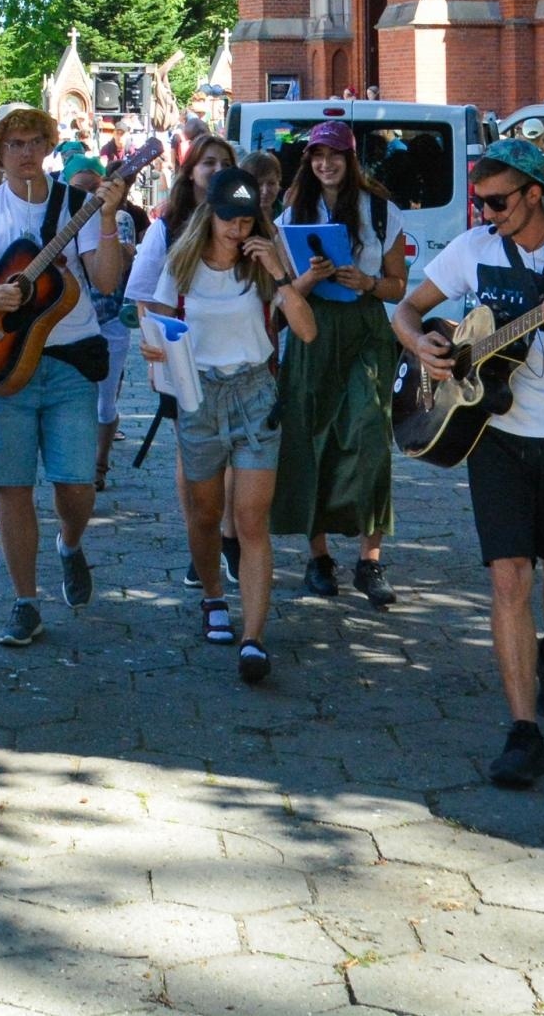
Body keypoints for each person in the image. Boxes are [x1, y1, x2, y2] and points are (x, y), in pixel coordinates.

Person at [392, 137, 544, 788]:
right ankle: (523, 731)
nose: (485, 212)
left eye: (496, 201)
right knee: (510, 577)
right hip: (494, 432)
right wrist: (424, 349)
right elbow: (406, 309)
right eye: (480, 201)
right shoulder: (474, 249)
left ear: (533, 194)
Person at [0, 103, 129, 647]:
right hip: (5, 368)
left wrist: (106, 218)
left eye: (34, 142)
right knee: (12, 487)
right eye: (15, 145)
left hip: (70, 360)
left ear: (49, 147)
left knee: (76, 483)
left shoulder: (78, 205)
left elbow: (106, 278)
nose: (26, 154)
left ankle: (70, 545)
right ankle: (26, 601)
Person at [143, 169, 315, 684]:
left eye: (246, 221)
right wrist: (156, 348)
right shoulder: (183, 263)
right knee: (204, 514)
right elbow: (154, 323)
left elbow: (306, 331)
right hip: (198, 394)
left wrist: (282, 275)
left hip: (255, 393)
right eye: (228, 220)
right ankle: (214, 597)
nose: (237, 231)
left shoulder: (264, 265)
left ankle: (254, 638)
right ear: (208, 215)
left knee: (250, 519)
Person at [272, 120, 407, 609]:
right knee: (310, 435)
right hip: (312, 326)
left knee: (370, 434)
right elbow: (282, 292)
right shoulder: (292, 214)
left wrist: (366, 283)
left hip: (364, 327)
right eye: (315, 156)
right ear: (307, 162)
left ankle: (370, 560)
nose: (324, 164)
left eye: (334, 155)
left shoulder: (381, 211)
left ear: (352, 160)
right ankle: (318, 557)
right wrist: (311, 277)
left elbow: (398, 287)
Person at [127, 134, 240, 587]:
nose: (215, 170)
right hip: (185, 357)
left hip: (239, 358)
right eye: (207, 162)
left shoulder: (247, 221)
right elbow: (143, 296)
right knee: (193, 455)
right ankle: (203, 540)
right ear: (190, 171)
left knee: (236, 452)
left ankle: (230, 536)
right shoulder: (167, 225)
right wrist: (160, 349)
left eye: (224, 163)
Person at [62, 155, 136, 492]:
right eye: (81, 189)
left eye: (96, 188)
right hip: (69, 322)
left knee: (105, 402)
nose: (91, 196)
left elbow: (121, 263)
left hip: (109, 319)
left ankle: (99, 464)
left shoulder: (119, 218)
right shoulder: (59, 220)